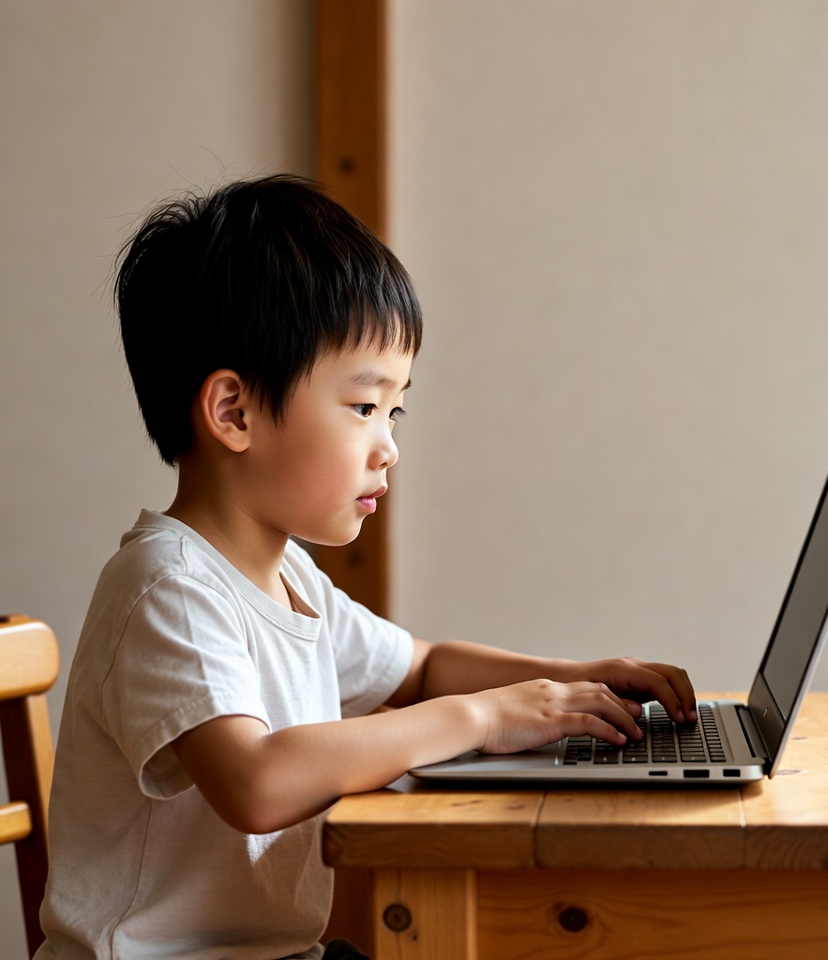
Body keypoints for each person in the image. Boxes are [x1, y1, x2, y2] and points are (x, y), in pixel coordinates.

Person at [35, 175, 697, 960]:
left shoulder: (288, 578)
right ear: (234, 413)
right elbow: (258, 782)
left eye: (396, 410)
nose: (388, 446)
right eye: (362, 407)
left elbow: (418, 667)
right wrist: (481, 718)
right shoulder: (167, 587)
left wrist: (568, 682)